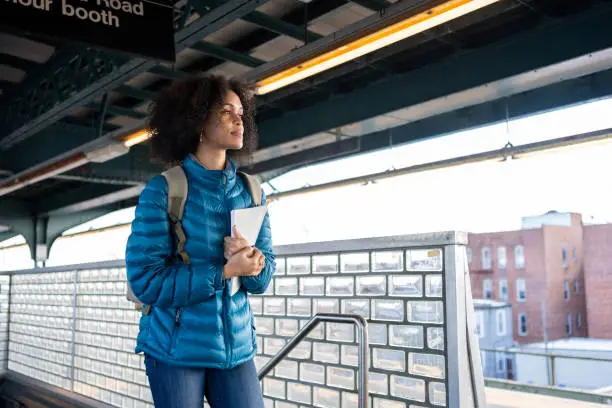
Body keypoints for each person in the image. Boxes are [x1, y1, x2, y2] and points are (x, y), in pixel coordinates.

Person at [125, 74, 276, 408]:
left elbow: (264, 279)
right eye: (226, 110)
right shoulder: (164, 191)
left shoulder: (251, 191)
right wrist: (222, 271)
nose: (239, 118)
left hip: (235, 350)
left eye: (241, 111)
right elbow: (146, 281)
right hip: (174, 349)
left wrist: (252, 263)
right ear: (197, 121)